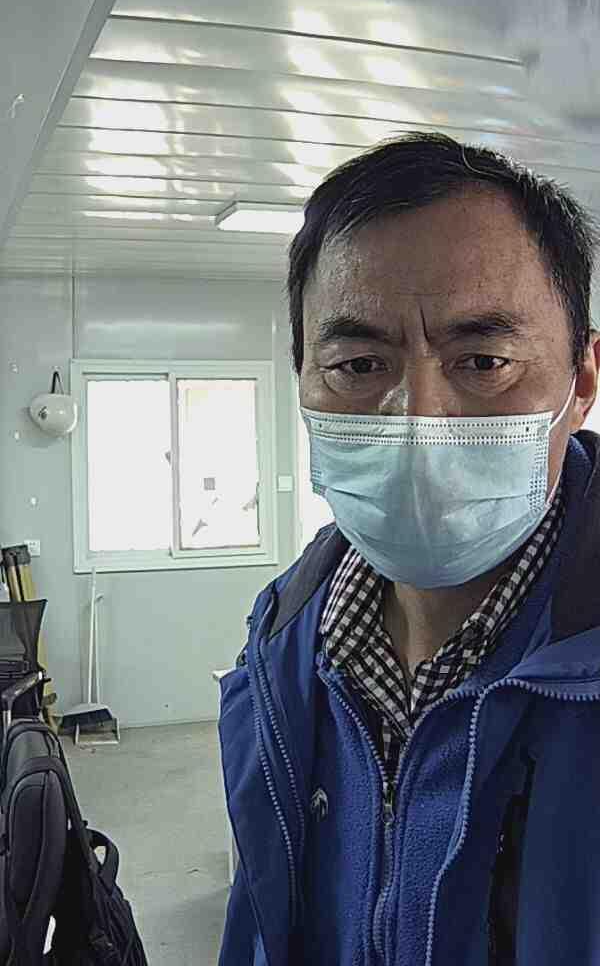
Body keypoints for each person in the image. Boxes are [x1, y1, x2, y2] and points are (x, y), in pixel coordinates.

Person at [217, 132, 600, 965]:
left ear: (582, 381)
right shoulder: (279, 647)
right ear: (302, 382)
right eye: (359, 365)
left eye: (483, 360)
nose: (418, 418)